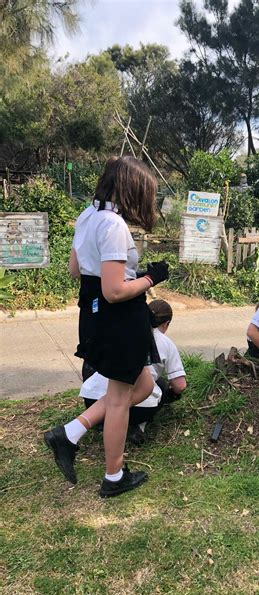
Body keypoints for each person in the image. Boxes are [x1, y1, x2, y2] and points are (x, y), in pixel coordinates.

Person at [44, 156, 169, 497]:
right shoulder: (113, 225)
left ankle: (69, 434)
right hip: (119, 317)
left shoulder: (87, 216)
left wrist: (124, 273)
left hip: (94, 313)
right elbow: (114, 291)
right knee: (118, 399)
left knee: (142, 384)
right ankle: (114, 476)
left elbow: (76, 269)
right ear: (130, 189)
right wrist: (150, 277)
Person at [80, 299, 187, 445]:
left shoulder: (121, 329)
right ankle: (138, 426)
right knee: (158, 385)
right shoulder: (165, 342)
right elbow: (180, 385)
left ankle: (99, 421)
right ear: (166, 324)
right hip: (136, 408)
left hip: (92, 400)